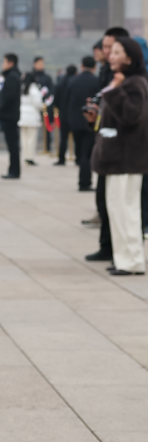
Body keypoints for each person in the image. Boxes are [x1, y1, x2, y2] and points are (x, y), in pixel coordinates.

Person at [88, 37, 148, 275]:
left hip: (127, 159)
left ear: (130, 58)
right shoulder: (123, 82)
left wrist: (115, 91)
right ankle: (123, 258)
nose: (110, 56)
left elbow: (131, 116)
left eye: (116, 52)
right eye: (110, 52)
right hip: (116, 158)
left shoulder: (135, 83)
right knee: (116, 210)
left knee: (127, 211)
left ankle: (132, 261)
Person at [86, 27, 132, 260]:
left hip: (126, 152)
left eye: (111, 49)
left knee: (125, 205)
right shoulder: (108, 73)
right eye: (105, 48)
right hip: (108, 145)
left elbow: (131, 115)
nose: (106, 53)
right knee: (106, 200)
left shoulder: (132, 80)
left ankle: (127, 255)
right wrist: (95, 116)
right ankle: (108, 247)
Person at [67, 57, 100, 193]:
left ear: (81, 66)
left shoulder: (73, 81)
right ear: (94, 67)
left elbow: (67, 100)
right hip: (90, 121)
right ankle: (85, 182)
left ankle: (83, 180)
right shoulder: (97, 81)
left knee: (80, 152)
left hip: (75, 122)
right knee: (87, 153)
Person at [0, 53, 21, 179]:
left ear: (11, 63)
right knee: (12, 145)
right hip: (11, 115)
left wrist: (0, 109)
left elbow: (8, 98)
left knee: (13, 145)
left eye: (4, 62)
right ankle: (13, 169)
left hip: (9, 116)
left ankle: (14, 171)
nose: (2, 65)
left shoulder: (11, 77)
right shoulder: (12, 76)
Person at [18, 72, 45, 167]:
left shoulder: (22, 88)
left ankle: (25, 156)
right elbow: (38, 103)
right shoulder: (34, 89)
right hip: (32, 116)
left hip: (22, 115)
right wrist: (42, 107)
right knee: (31, 138)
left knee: (24, 139)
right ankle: (30, 157)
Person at [54, 64, 77, 165]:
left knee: (63, 138)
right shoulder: (76, 82)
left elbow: (56, 99)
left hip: (63, 113)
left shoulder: (60, 83)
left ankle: (61, 159)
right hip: (75, 113)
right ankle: (78, 158)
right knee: (77, 138)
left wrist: (60, 108)